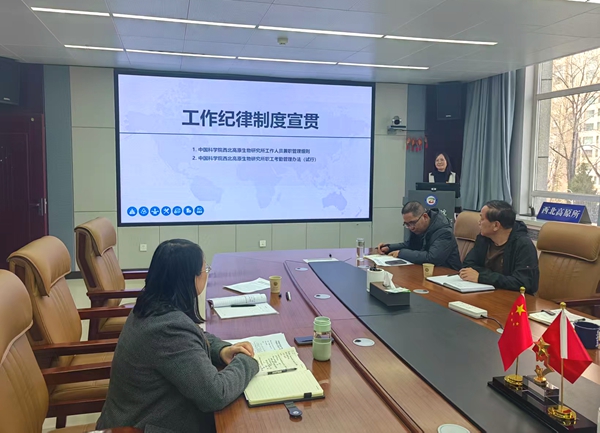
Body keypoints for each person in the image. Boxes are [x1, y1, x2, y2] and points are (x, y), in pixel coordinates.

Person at [96, 239, 259, 433]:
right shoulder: (168, 328)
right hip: (141, 426)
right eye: (204, 269)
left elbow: (192, 334)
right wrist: (247, 362)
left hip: (136, 415)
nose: (206, 274)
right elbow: (216, 395)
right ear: (191, 279)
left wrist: (221, 350)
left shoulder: (152, 303)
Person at [460, 200, 539, 295]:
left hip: (514, 298)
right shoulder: (483, 238)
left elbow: (523, 282)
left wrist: (482, 277)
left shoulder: (523, 245)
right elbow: (468, 265)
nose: (479, 222)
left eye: (482, 219)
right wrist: (488, 277)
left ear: (496, 225)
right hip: (487, 292)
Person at [377, 201, 462, 270]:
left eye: (412, 223)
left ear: (425, 217)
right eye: (407, 224)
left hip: (446, 275)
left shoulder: (444, 232)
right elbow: (410, 245)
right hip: (426, 272)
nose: (411, 227)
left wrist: (401, 253)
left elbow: (432, 258)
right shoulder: (419, 228)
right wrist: (389, 247)